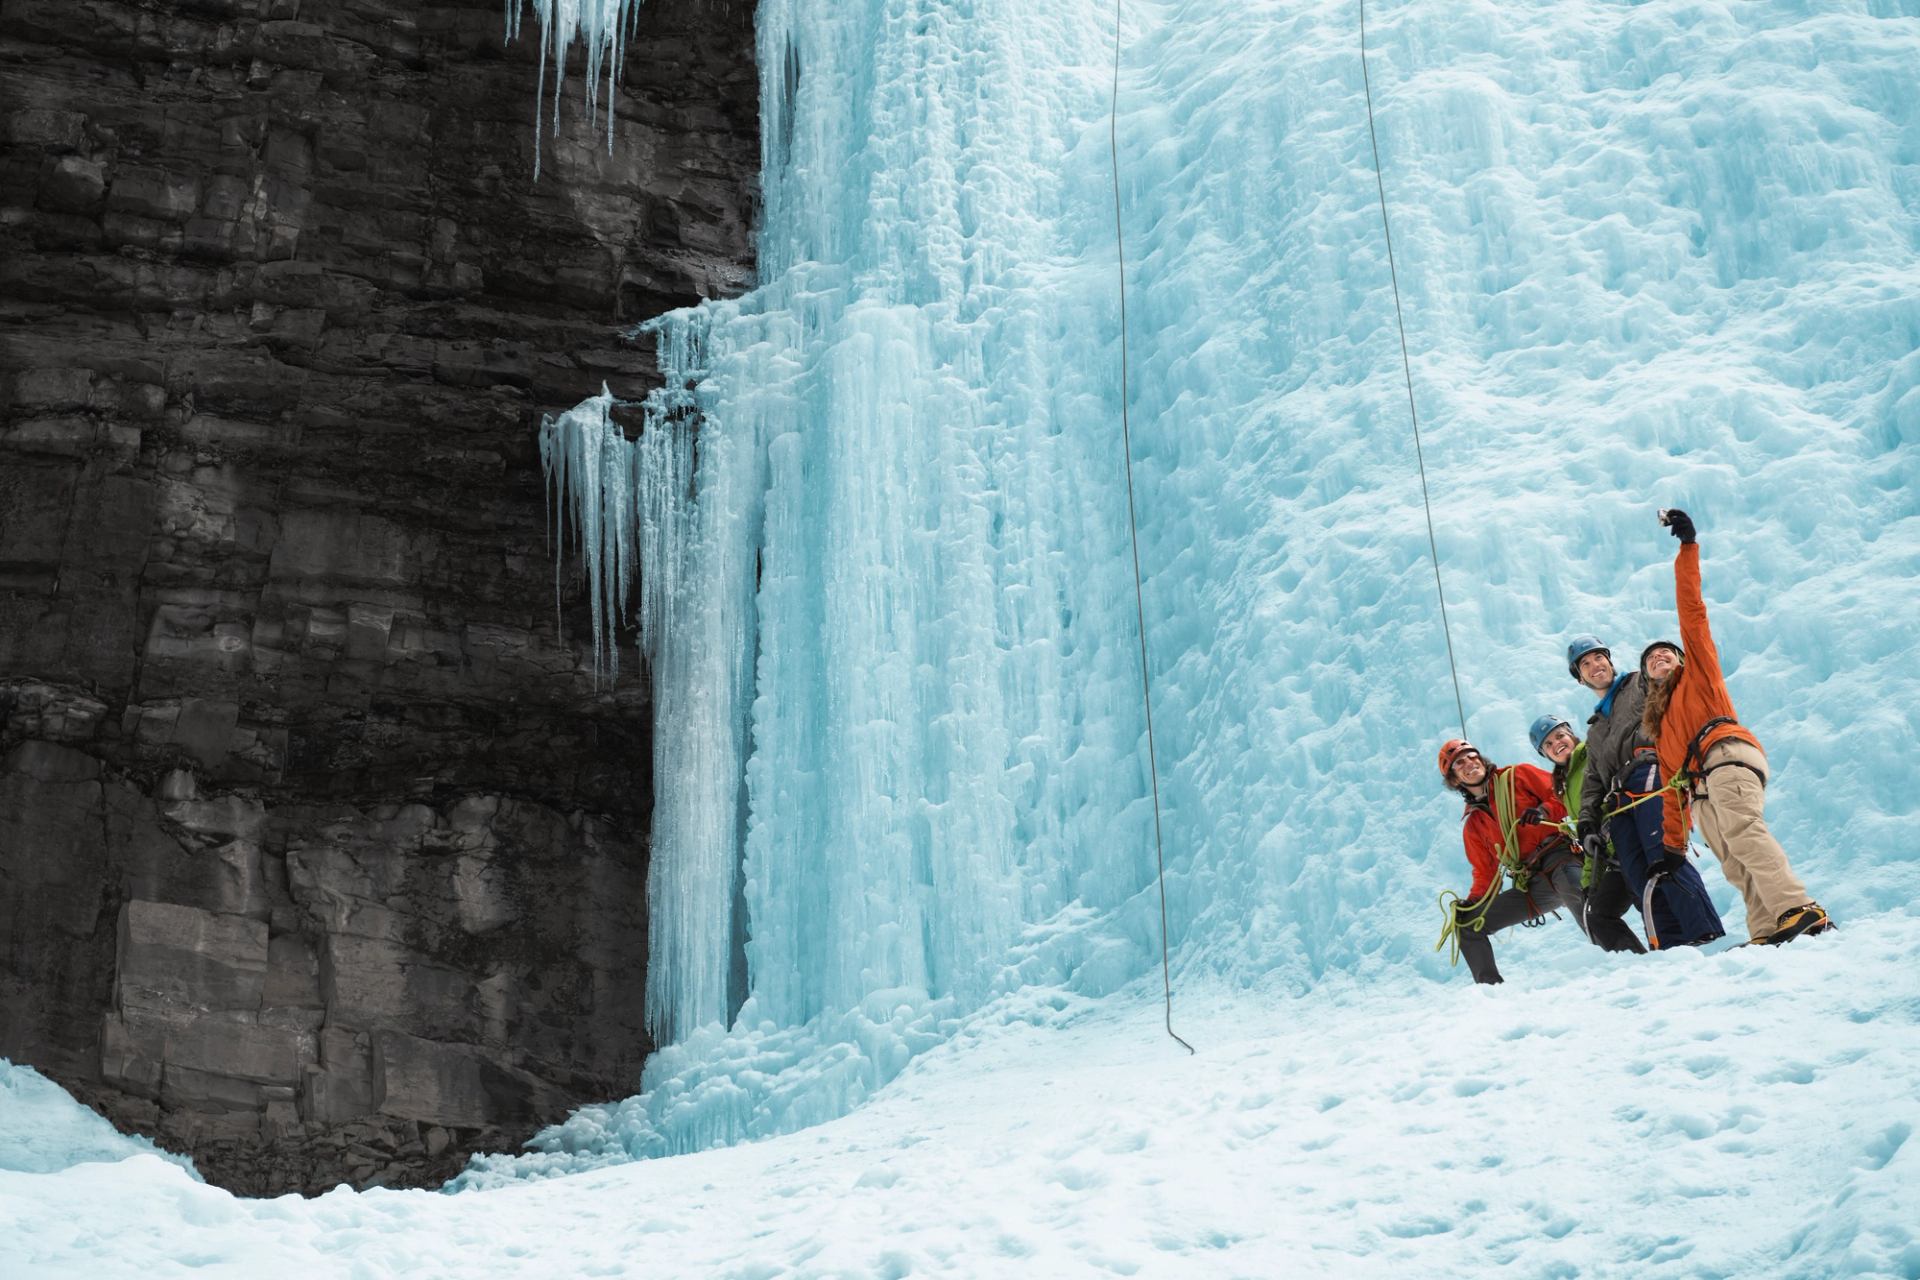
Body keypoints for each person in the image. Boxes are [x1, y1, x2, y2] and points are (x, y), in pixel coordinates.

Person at [1641, 508, 1832, 945]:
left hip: (1724, 754)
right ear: (1647, 679)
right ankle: (1768, 929)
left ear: (1682, 660)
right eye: (1651, 658)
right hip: (1698, 787)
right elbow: (1672, 791)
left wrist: (1688, 548)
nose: (1660, 657)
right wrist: (1672, 847)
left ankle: (1798, 908)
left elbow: (1692, 611)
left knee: (1745, 834)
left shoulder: (1700, 675)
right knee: (1732, 860)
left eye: (1667, 653)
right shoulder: (1663, 729)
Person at [1564, 635, 1725, 948]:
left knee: (1663, 853)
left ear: (1610, 661)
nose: (1594, 666)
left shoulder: (1638, 684)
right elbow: (1594, 778)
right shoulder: (1596, 728)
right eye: (1585, 664)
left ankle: (1706, 934)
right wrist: (1587, 821)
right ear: (1580, 678)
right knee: (1638, 875)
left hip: (1649, 771)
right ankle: (1672, 945)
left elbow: (1668, 681)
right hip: (1617, 799)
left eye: (1598, 658)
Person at [1438, 739, 1640, 985]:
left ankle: (1631, 962)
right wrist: (1471, 903)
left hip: (1559, 856)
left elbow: (1561, 796)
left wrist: (1544, 811)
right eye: (1459, 763)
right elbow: (1485, 873)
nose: (1469, 763)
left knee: (1587, 908)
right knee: (1468, 924)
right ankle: (1491, 989)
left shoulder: (1517, 776)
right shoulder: (1474, 826)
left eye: (1471, 756)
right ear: (1454, 779)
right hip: (1531, 883)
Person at [1528, 714, 1644, 954]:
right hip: (1612, 857)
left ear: (1571, 734)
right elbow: (1587, 835)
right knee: (1598, 915)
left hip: (1630, 843)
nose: (1556, 744)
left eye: (1559, 736)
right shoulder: (1565, 785)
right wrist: (1589, 881)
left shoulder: (1592, 754)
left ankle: (1677, 952)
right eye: (1548, 744)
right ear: (1545, 754)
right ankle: (1636, 961)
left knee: (1647, 901)